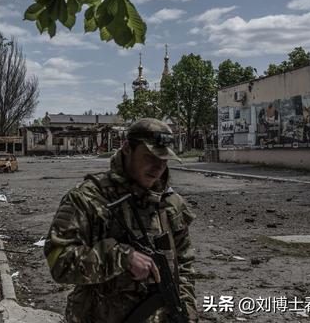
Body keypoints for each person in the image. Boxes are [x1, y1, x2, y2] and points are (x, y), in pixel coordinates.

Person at [44, 118, 198, 323]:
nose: (158, 167)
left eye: (164, 160)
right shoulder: (89, 198)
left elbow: (184, 267)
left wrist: (187, 312)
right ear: (127, 149)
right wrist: (121, 258)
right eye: (150, 157)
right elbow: (59, 262)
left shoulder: (170, 203)